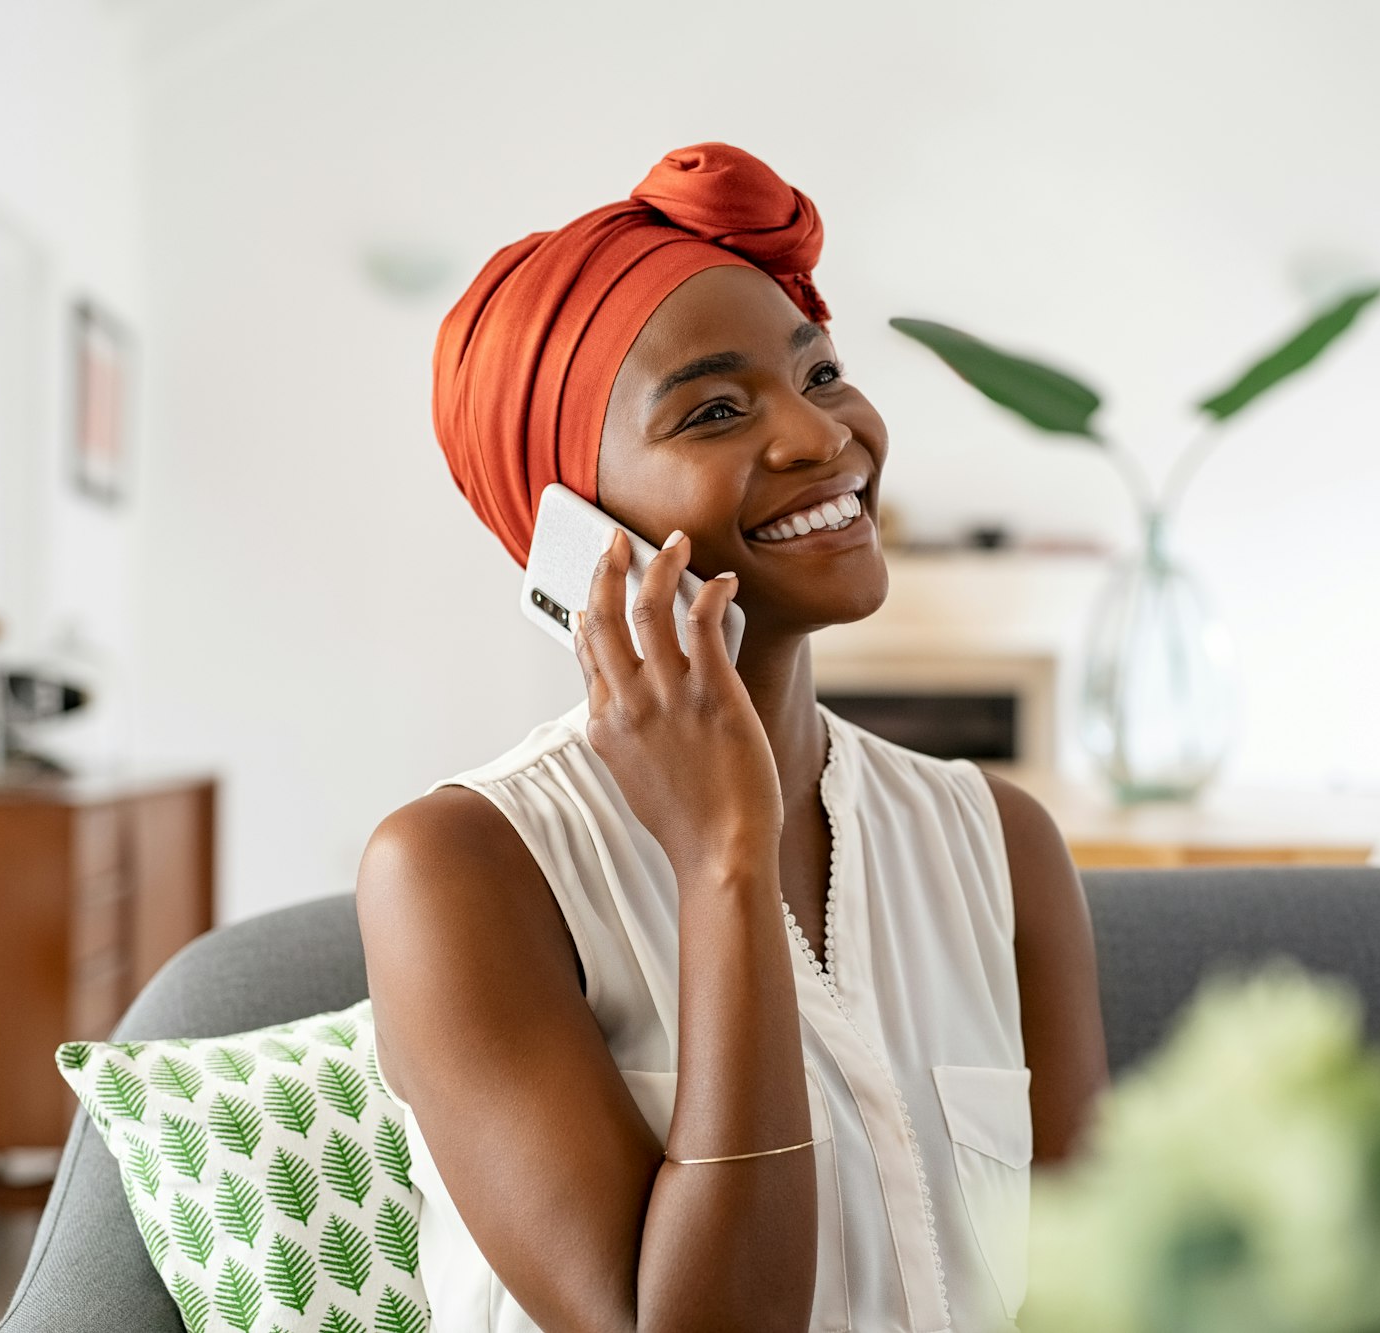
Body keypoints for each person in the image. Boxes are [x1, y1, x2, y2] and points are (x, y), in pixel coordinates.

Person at [357, 142, 1108, 1333]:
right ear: (574, 532)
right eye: (712, 409)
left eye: (819, 373)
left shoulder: (1000, 844)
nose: (823, 439)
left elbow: (1089, 1295)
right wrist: (721, 856)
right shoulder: (455, 869)